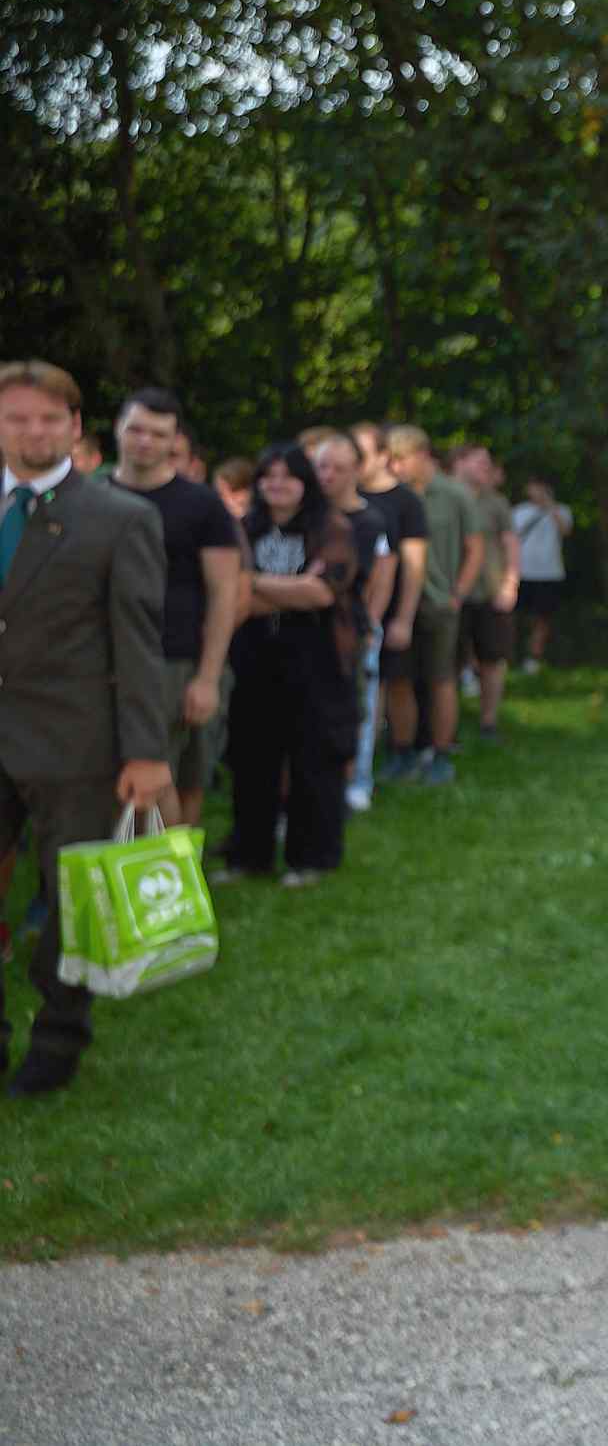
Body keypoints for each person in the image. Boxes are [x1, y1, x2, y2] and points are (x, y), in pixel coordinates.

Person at [0, 360, 171, 1099]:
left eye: (49, 418)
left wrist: (147, 752)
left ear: (75, 426)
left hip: (74, 742)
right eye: (16, 418)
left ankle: (59, 1036)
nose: (33, 431)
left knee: (71, 898)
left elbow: (139, 643)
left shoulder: (118, 517)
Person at [221, 443, 359, 888]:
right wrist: (292, 587)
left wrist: (253, 582)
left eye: (288, 475)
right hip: (253, 659)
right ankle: (249, 856)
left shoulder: (329, 526)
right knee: (252, 760)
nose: (277, 484)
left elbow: (322, 592)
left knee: (314, 762)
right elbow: (232, 596)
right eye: (268, 475)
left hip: (318, 661)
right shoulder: (244, 527)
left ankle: (312, 858)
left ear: (305, 482)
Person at [111, 389, 244, 829]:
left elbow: (225, 594)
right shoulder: (90, 495)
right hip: (98, 657)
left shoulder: (202, 505)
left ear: (174, 442)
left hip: (173, 661)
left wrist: (207, 678)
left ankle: (168, 870)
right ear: (118, 430)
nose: (144, 441)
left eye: (158, 433)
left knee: (161, 777)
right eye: (136, 429)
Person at [385, 426, 483, 782]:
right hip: (397, 604)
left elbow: (475, 548)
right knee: (398, 679)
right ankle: (403, 752)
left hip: (440, 602)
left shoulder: (455, 494)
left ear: (424, 455)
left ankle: (441, 754)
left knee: (441, 679)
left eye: (401, 458)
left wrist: (459, 593)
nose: (395, 466)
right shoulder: (392, 495)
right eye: (391, 459)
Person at [305, 429, 394, 813]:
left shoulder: (370, 520)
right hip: (306, 627)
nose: (328, 475)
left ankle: (357, 781)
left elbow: (380, 575)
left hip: (351, 628)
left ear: (356, 470)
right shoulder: (306, 514)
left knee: (358, 708)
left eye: (338, 468)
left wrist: (370, 623)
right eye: (322, 466)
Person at [352, 422, 429, 792]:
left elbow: (414, 564)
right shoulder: (344, 495)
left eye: (361, 454)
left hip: (394, 608)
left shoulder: (406, 501)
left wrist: (404, 618)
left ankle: (402, 752)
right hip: (354, 612)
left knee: (397, 681)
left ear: (383, 456)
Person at [453, 444, 519, 743]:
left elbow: (511, 544)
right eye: (480, 461)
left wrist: (510, 583)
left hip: (491, 593)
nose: (486, 467)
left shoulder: (496, 502)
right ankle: (445, 728)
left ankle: (488, 723)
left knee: (493, 659)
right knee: (448, 664)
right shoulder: (444, 497)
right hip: (451, 594)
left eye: (488, 462)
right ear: (460, 462)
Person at [511, 476, 572, 673]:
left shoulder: (561, 510)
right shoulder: (518, 512)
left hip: (549, 574)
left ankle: (534, 659)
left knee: (542, 618)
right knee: (514, 617)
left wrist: (549, 506)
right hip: (521, 573)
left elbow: (565, 530)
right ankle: (508, 656)